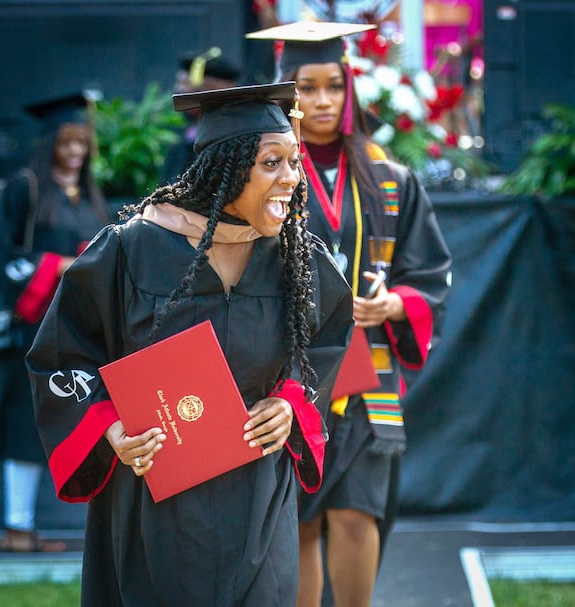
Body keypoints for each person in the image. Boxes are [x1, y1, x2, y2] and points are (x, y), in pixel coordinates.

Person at [26, 82, 353, 606]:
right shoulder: (131, 247)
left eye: (295, 162)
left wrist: (292, 401)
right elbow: (62, 356)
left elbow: (328, 340)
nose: (290, 179)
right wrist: (109, 428)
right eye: (272, 163)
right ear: (227, 166)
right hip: (154, 491)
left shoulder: (295, 256)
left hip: (258, 490)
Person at [249, 22, 452, 607]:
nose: (320, 101)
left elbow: (429, 271)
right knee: (301, 520)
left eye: (332, 87)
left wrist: (394, 304)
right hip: (291, 369)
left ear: (349, 91)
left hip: (366, 370)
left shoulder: (389, 178)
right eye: (305, 88)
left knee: (358, 513)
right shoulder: (265, 172)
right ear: (287, 93)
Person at [0, 92, 110, 552]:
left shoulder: (91, 196)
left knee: (78, 420)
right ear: (50, 145)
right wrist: (63, 266)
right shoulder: (26, 187)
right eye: (66, 142)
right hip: (33, 329)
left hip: (79, 329)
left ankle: (75, 526)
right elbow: (6, 257)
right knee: (25, 426)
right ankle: (17, 528)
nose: (75, 151)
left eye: (82, 143)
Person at [160, 47, 242, 184]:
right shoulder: (179, 144)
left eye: (185, 83)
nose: (178, 89)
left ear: (209, 91)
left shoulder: (235, 142)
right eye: (178, 82)